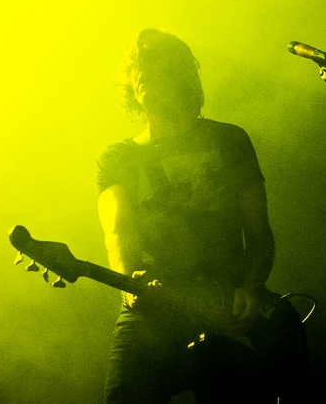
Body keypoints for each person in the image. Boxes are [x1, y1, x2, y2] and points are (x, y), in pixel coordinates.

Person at [97, 29, 279, 403]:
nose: (143, 71)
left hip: (225, 305)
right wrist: (128, 281)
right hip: (152, 306)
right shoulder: (117, 158)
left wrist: (251, 286)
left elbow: (260, 233)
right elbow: (117, 230)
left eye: (154, 62)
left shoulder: (230, 140)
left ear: (180, 73)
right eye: (137, 66)